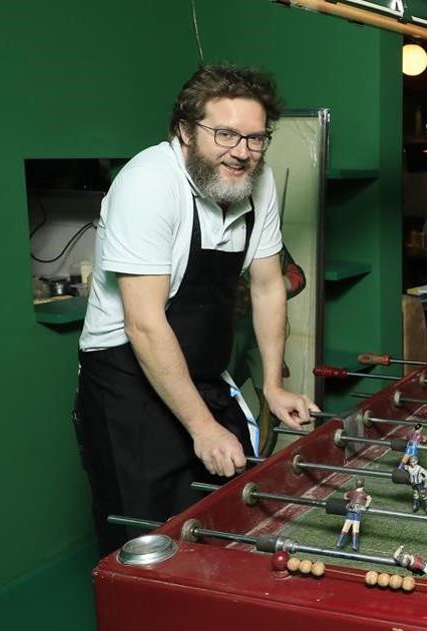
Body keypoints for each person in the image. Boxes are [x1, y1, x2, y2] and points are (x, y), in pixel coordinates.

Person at [74, 64, 318, 554]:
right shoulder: (147, 184)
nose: (241, 152)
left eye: (255, 137)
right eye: (224, 133)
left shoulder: (257, 180)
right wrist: (202, 426)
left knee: (234, 510)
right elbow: (144, 323)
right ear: (185, 130)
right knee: (149, 539)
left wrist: (271, 385)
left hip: (202, 369)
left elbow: (269, 286)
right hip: (127, 379)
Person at [228, 243, 306, 456]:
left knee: (270, 406)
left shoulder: (266, 237)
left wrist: (274, 286)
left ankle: (259, 462)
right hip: (225, 333)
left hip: (261, 336)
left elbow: (298, 277)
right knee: (222, 395)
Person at [336, 479, 371, 551]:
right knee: (355, 528)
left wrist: (348, 500)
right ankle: (355, 545)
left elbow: (345, 495)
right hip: (357, 512)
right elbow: (369, 498)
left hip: (350, 510)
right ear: (363, 485)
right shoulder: (364, 493)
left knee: (346, 527)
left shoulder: (352, 492)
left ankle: (339, 543)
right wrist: (366, 505)